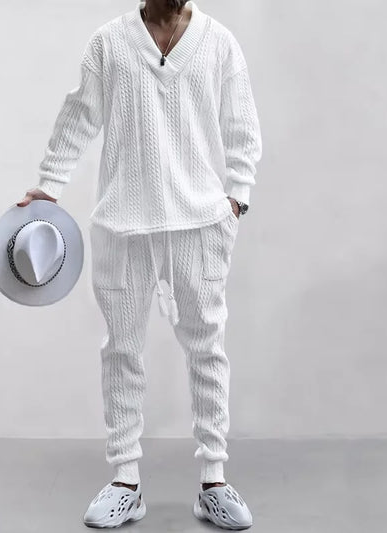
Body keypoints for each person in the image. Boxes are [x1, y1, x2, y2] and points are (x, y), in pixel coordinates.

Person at [18, 0, 262, 528]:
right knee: (122, 352)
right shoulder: (109, 43)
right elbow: (80, 114)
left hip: (199, 225)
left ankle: (214, 480)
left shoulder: (219, 43)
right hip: (123, 225)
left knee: (207, 349)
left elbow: (241, 122)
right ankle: (125, 481)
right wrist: (50, 184)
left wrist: (236, 198)